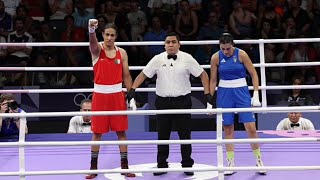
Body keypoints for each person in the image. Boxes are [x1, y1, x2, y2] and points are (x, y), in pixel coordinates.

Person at [126, 32, 211, 176]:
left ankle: (187, 164)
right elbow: (143, 74)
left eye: (173, 42)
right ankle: (161, 164)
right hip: (163, 101)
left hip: (182, 101)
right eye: (167, 42)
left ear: (179, 44)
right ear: (164, 44)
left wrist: (207, 94)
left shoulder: (187, 58)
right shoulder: (157, 59)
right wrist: (133, 90)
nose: (170, 45)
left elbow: (203, 74)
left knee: (184, 135)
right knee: (162, 135)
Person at [208, 33, 266, 175]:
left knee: (251, 127)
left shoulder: (242, 54)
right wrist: (210, 101)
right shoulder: (215, 57)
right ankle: (230, 163)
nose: (225, 52)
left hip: (241, 91)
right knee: (228, 128)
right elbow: (213, 80)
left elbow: (253, 74)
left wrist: (256, 94)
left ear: (232, 45)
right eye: (223, 49)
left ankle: (259, 160)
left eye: (228, 49)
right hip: (224, 93)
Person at [85, 20, 136, 179]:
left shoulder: (122, 53)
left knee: (121, 132)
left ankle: (125, 167)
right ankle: (93, 168)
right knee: (97, 133)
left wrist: (131, 95)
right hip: (100, 96)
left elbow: (126, 75)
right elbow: (92, 44)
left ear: (116, 37)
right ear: (102, 35)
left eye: (112, 35)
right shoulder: (96, 49)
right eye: (106, 34)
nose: (109, 38)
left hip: (117, 95)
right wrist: (91, 30)